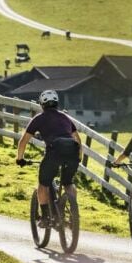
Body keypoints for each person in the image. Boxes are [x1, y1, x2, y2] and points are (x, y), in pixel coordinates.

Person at [16, 90, 82, 228]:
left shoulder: (39, 118)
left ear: (42, 104)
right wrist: (79, 158)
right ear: (57, 103)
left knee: (43, 183)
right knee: (68, 183)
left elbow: (23, 141)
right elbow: (78, 139)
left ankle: (45, 217)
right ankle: (73, 211)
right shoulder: (65, 118)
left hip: (54, 152)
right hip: (72, 151)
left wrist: (19, 158)